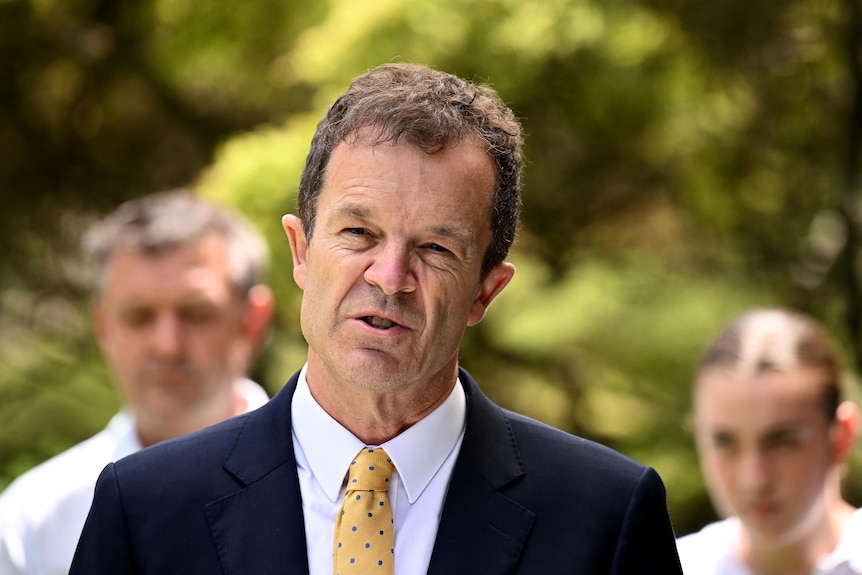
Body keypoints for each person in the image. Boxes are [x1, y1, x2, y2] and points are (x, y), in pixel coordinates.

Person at [69, 62, 682, 574]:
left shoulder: (604, 517)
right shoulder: (144, 509)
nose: (389, 277)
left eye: (437, 249)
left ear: (485, 293)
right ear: (301, 251)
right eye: (359, 233)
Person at [0, 190, 275, 575]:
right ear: (103, 325)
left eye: (196, 313)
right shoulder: (34, 522)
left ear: (252, 321)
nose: (167, 345)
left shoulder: (336, 486)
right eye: (139, 316)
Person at [677, 308, 861, 574]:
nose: (754, 480)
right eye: (725, 442)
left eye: (783, 441)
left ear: (841, 437)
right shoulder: (671, 566)